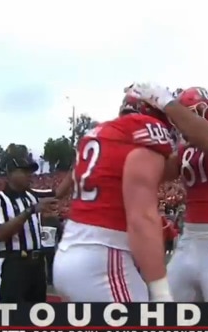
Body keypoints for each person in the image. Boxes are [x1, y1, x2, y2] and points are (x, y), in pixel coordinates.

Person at [127, 84, 208, 302]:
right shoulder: (186, 147)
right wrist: (150, 128)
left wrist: (168, 104)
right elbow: (157, 173)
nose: (184, 125)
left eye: (191, 116)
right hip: (189, 240)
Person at [53, 91, 174, 302]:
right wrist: (162, 292)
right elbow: (142, 218)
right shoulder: (142, 129)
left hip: (68, 252)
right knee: (140, 327)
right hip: (104, 258)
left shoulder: (98, 133)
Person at [0, 156, 70, 303]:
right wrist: (30, 211)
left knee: (36, 313)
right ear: (10, 174)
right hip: (13, 263)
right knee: (8, 314)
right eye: (24, 171)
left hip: (37, 265)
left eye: (30, 171)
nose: (29, 175)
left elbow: (58, 194)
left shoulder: (32, 194)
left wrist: (76, 168)